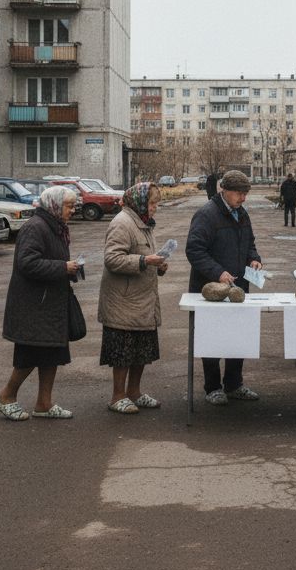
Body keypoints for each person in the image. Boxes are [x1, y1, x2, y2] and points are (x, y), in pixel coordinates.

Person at [0, 185, 81, 421]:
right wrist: (62, 267)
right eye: (69, 206)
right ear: (54, 205)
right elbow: (27, 263)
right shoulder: (35, 227)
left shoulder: (55, 227)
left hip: (50, 304)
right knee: (30, 355)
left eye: (74, 205)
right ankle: (6, 396)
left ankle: (44, 403)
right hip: (34, 306)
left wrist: (70, 270)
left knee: (52, 354)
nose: (73, 210)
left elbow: (50, 260)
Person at [186, 169, 263, 405]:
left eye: (245, 193)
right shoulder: (207, 215)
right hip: (210, 290)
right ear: (224, 191)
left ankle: (233, 384)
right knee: (212, 337)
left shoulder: (242, 214)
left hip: (238, 288)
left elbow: (249, 243)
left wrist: (254, 258)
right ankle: (212, 388)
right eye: (239, 193)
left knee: (238, 337)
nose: (243, 198)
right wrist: (217, 272)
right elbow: (194, 250)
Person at [98, 182, 168, 413]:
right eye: (151, 203)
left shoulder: (143, 223)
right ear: (139, 203)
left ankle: (134, 393)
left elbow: (145, 255)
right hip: (124, 301)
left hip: (142, 299)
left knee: (142, 350)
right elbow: (112, 259)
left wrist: (158, 265)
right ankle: (117, 396)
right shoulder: (122, 223)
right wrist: (145, 261)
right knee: (123, 351)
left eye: (156, 203)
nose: (155, 208)